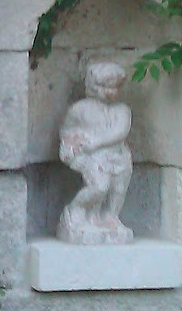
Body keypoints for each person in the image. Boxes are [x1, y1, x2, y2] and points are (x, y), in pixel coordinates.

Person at [56, 60, 134, 245]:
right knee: (99, 186)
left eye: (115, 87)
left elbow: (120, 132)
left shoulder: (122, 111)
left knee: (118, 189)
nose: (111, 92)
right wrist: (72, 144)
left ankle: (108, 216)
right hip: (94, 157)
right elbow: (66, 130)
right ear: (93, 87)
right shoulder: (80, 109)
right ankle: (76, 210)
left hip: (119, 156)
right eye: (106, 86)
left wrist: (97, 142)